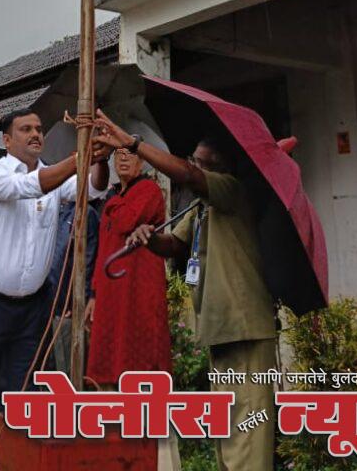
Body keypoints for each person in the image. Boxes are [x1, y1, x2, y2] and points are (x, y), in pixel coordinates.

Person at [96, 112, 277, 471]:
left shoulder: (231, 190)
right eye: (193, 159)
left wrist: (134, 144)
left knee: (247, 435)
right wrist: (149, 238)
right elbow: (174, 245)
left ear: (220, 167)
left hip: (244, 329)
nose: (193, 166)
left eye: (201, 162)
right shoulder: (202, 207)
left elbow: (188, 176)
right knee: (229, 433)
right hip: (221, 328)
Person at [0, 110, 110, 471]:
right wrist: (80, 157)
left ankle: (15, 465)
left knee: (24, 400)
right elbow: (31, 187)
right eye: (25, 129)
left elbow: (94, 187)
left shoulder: (55, 175)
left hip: (32, 310)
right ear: (6, 140)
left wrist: (99, 160)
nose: (35, 134)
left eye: (39, 129)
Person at [85, 147, 170, 385]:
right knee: (107, 360)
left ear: (142, 161)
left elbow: (126, 221)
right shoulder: (113, 194)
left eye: (130, 154)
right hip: (110, 288)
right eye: (119, 153)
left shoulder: (149, 190)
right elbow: (103, 248)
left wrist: (112, 203)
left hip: (138, 286)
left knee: (141, 354)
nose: (123, 158)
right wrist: (94, 294)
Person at [46, 198, 99, 375]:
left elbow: (88, 262)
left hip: (65, 308)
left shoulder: (84, 212)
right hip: (41, 305)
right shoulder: (49, 208)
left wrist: (76, 302)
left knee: (65, 367)